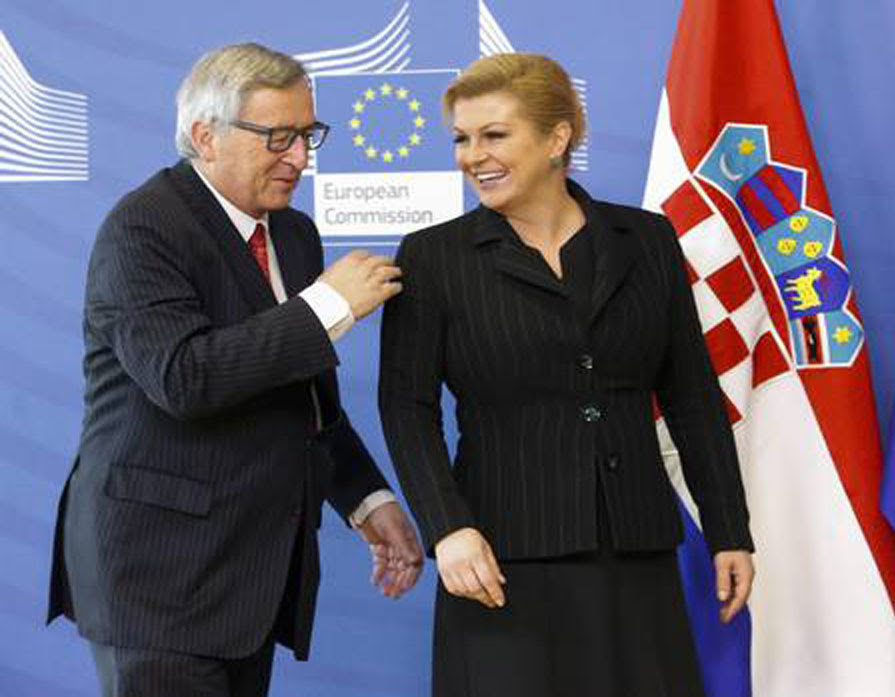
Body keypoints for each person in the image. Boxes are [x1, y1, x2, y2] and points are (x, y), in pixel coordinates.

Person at [46, 43, 423, 697]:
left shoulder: (294, 235)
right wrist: (329, 305)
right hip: (157, 581)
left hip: (245, 582)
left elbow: (304, 397)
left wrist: (367, 499)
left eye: (308, 135)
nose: (300, 158)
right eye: (279, 137)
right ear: (205, 136)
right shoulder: (142, 228)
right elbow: (184, 379)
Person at [378, 53, 755, 697]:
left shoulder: (648, 240)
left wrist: (729, 531)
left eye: (494, 135)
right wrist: (449, 527)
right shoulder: (434, 257)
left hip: (636, 557)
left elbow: (691, 394)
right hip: (501, 561)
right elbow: (406, 409)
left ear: (557, 139)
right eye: (462, 139)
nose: (473, 156)